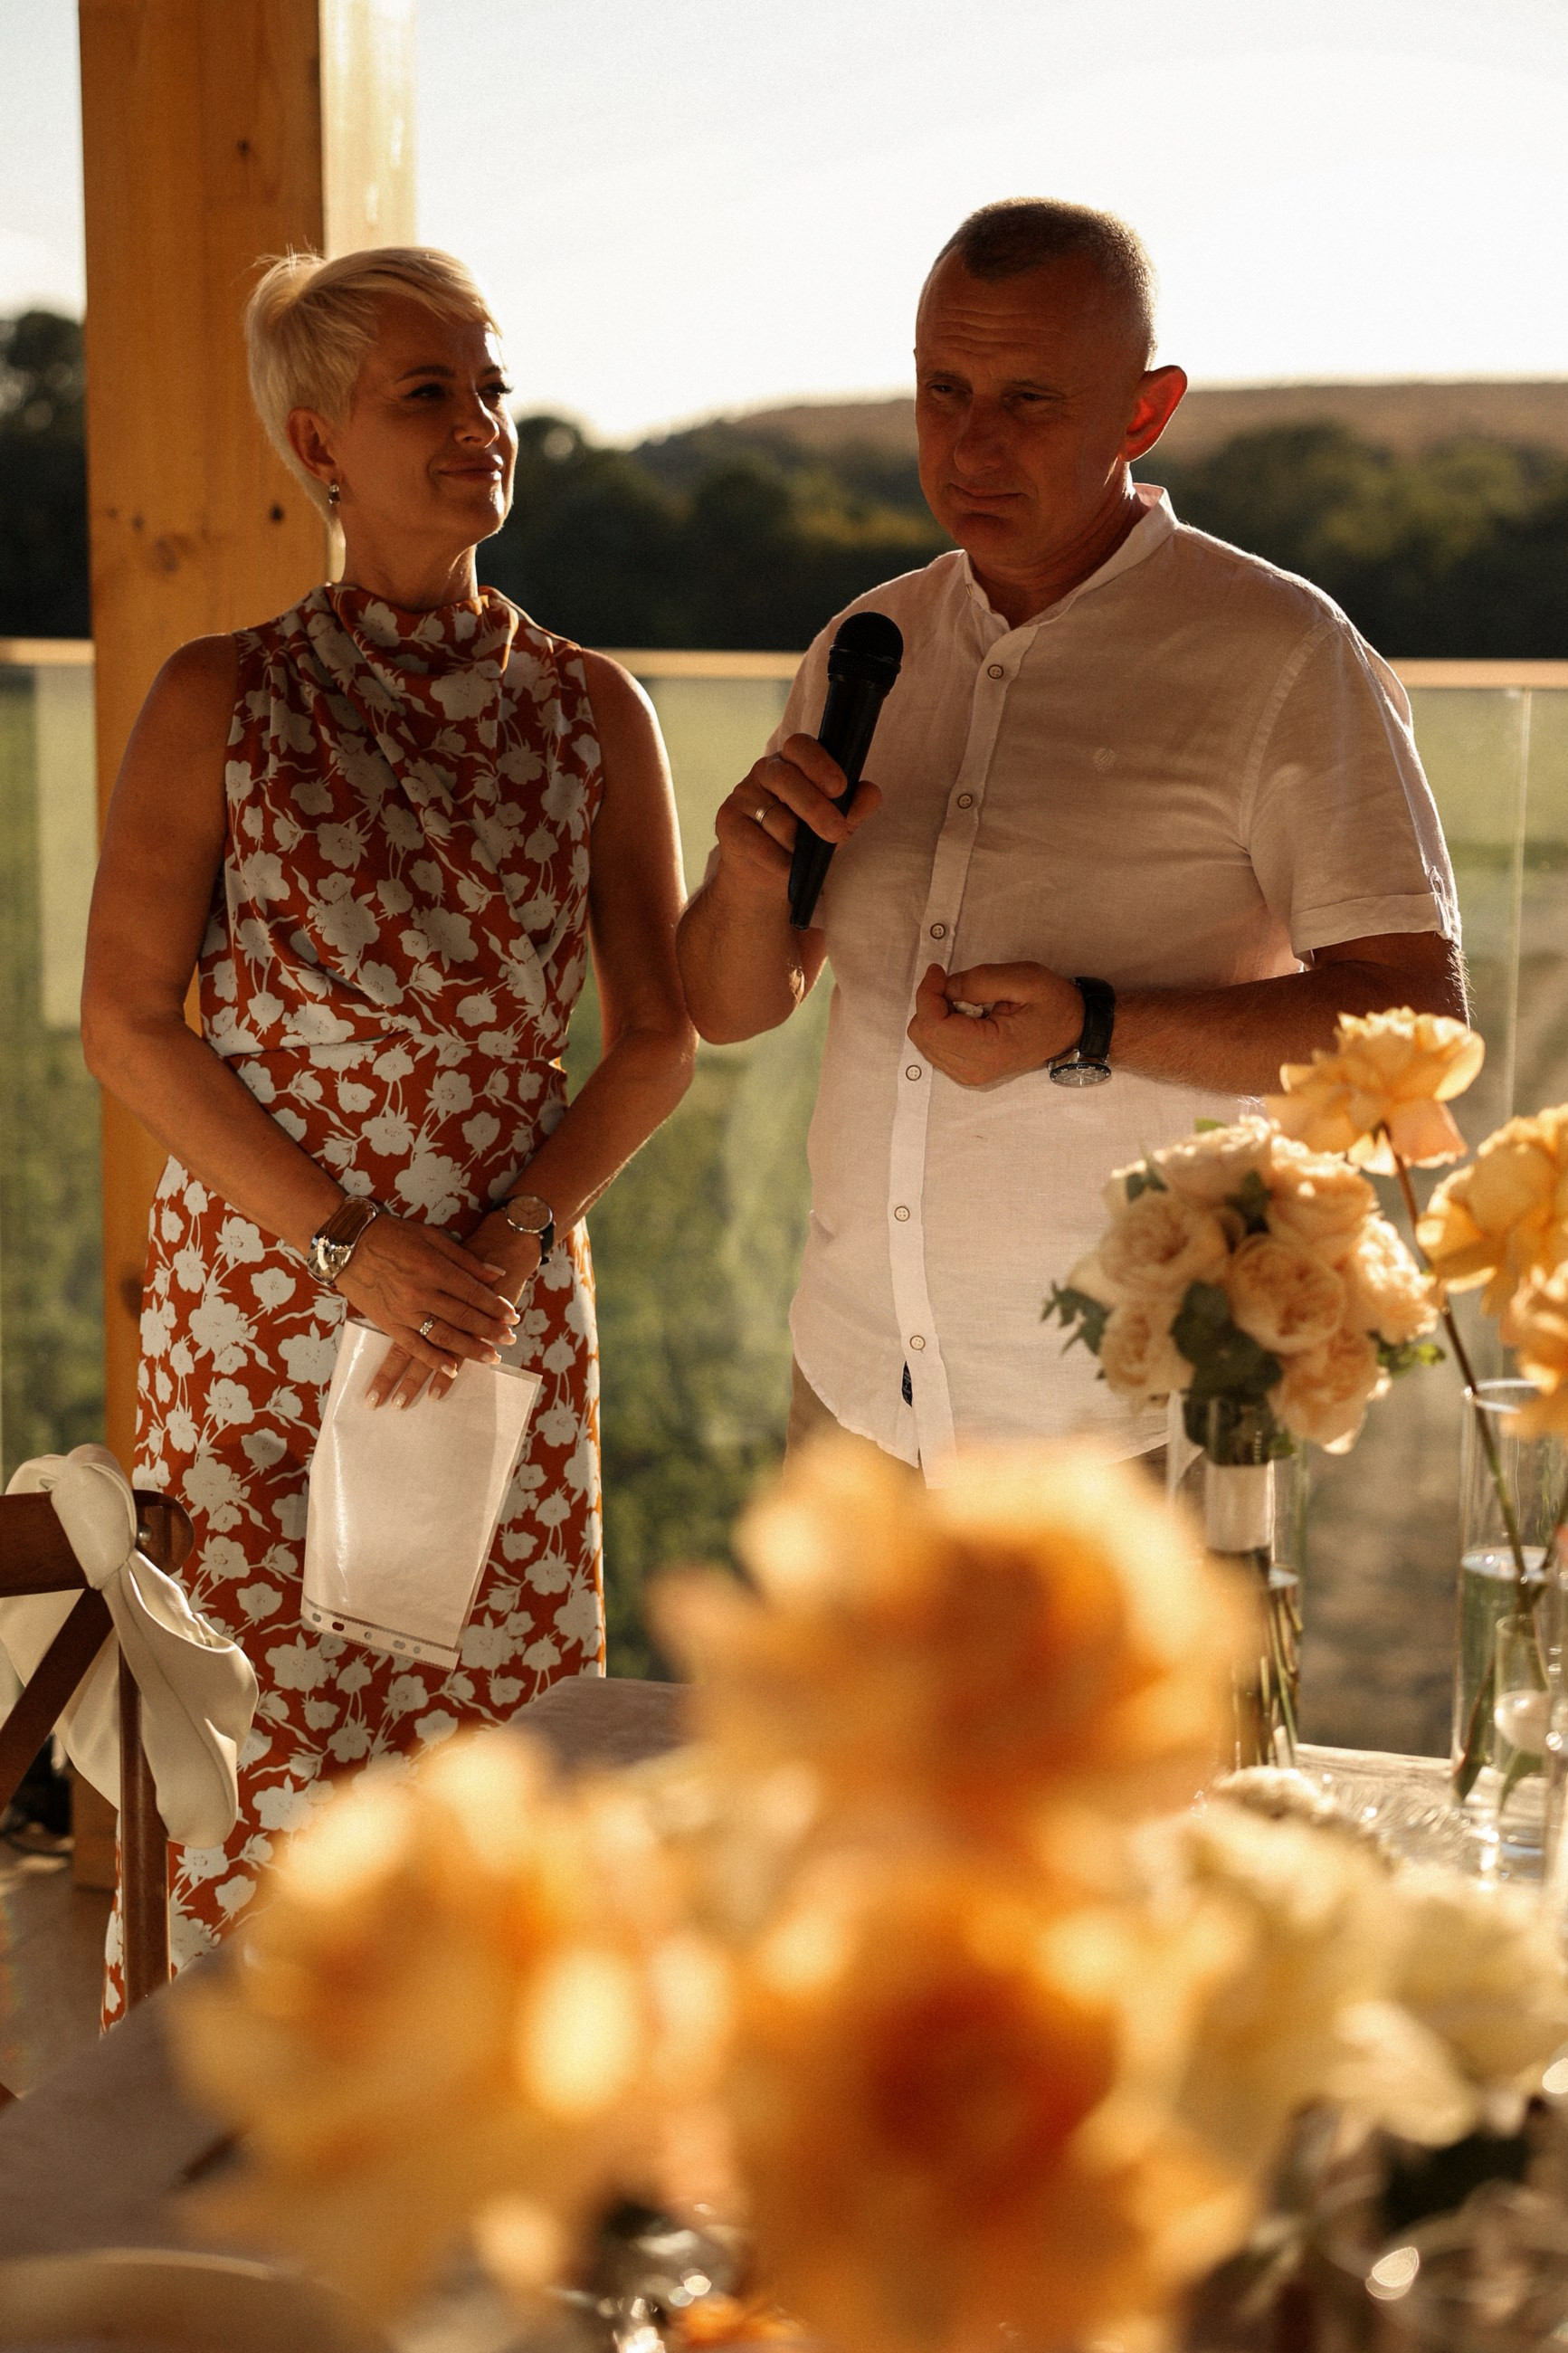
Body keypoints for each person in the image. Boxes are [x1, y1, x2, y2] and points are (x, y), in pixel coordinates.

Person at [82, 246, 694, 1998]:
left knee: (500, 1786)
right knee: (257, 1769)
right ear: (319, 444)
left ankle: (482, 2128)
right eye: (430, 392)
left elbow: (656, 1044)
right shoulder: (222, 696)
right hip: (262, 1319)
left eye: (490, 387)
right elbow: (126, 1025)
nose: (483, 423)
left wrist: (507, 1241)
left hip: (493, 1317)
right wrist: (350, 1244)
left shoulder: (593, 710)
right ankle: (220, 2140)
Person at [676, 199, 1463, 1479]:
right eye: (942, 389)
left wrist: (1094, 1024)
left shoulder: (1283, 653)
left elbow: (1412, 1031)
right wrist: (747, 880)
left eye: (1029, 399)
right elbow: (731, 1009)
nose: (970, 443)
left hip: (1137, 1428)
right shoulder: (864, 644)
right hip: (855, 1400)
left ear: (1145, 412)